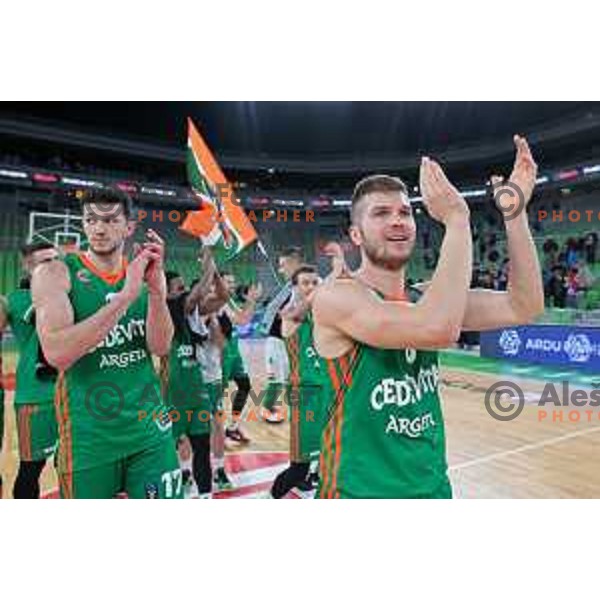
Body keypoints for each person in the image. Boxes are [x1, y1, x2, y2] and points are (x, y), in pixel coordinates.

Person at [312, 136, 544, 498]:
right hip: (359, 495)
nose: (398, 221)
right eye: (381, 213)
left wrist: (514, 213)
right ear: (355, 235)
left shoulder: (427, 296)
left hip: (434, 489)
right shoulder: (336, 296)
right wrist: (456, 219)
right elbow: (436, 328)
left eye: (405, 212)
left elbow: (524, 306)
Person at [32, 187, 182, 499]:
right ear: (83, 224)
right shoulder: (55, 272)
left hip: (148, 429)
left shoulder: (144, 273)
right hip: (89, 437)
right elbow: (57, 354)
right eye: (91, 220)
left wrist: (155, 292)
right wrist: (125, 297)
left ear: (129, 227)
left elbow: (161, 347)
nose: (99, 228)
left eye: (111, 220)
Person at [0, 242, 60, 498]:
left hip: (75, 391)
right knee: (31, 468)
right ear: (27, 266)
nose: (52, 267)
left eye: (55, 260)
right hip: (35, 396)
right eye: (44, 261)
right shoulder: (14, 300)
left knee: (73, 465)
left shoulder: (73, 294)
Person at [260, 247, 304, 423]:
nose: (280, 270)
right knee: (278, 379)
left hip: (294, 340)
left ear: (294, 263)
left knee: (290, 378)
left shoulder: (304, 283)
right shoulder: (289, 287)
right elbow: (277, 311)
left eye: (283, 265)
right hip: (277, 339)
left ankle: (297, 411)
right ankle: (267, 409)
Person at [218, 273, 262, 444]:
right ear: (218, 282)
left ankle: (233, 427)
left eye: (233, 281)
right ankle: (215, 431)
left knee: (245, 386)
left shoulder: (229, 301)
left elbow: (244, 320)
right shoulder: (217, 301)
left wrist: (251, 300)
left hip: (233, 352)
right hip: (219, 353)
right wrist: (251, 300)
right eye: (228, 282)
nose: (232, 285)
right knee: (217, 396)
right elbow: (239, 319)